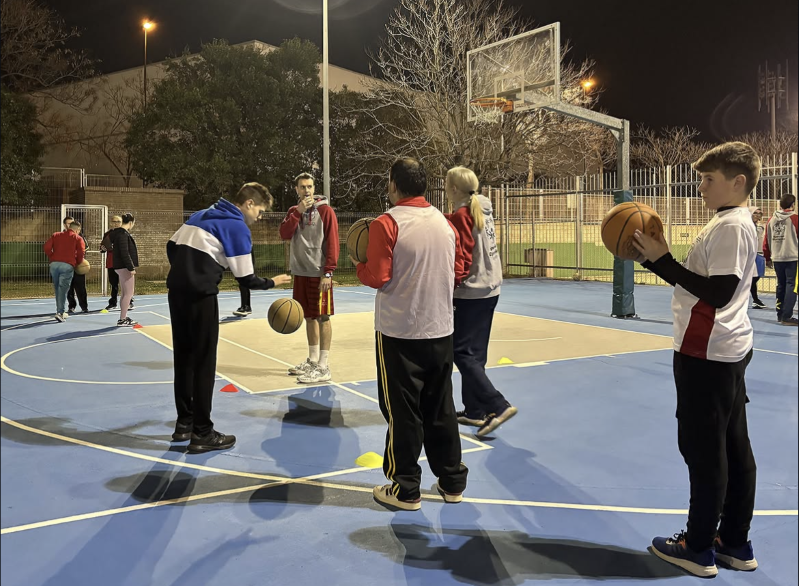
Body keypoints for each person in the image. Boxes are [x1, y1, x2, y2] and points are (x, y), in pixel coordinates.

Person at [633, 142, 761, 577]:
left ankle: (699, 544)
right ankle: (734, 541)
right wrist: (660, 262)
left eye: (709, 179)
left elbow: (719, 293)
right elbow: (704, 284)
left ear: (737, 182)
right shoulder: (737, 220)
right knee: (733, 446)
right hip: (727, 348)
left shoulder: (729, 227)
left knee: (704, 450)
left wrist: (662, 260)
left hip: (706, 351)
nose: (701, 187)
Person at [355, 157, 468, 511]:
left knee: (402, 412)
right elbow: (461, 269)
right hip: (440, 328)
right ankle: (451, 482)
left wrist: (358, 264)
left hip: (399, 332)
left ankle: (405, 489)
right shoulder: (445, 223)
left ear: (393, 185)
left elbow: (377, 276)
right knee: (441, 408)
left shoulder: (386, 224)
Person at [166, 182, 290, 454]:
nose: (259, 217)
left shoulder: (201, 214)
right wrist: (273, 282)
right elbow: (247, 278)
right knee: (203, 364)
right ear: (248, 204)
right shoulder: (236, 226)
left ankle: (183, 425)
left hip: (176, 292)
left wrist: (187, 269)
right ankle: (202, 433)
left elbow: (171, 246)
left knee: (184, 360)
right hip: (201, 296)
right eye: (260, 211)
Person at [444, 167, 516, 437]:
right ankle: (475, 411)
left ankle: (497, 405)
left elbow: (462, 255)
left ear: (452, 189)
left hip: (471, 292)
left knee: (460, 352)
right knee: (477, 353)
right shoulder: (482, 207)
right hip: (490, 289)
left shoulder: (464, 214)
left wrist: (453, 283)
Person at [279, 172, 339, 383]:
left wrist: (328, 272)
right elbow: (285, 234)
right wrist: (298, 212)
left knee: (323, 317)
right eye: (303, 187)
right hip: (301, 273)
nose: (307, 190)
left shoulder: (326, 211)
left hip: (319, 273)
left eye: (310, 186)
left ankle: (324, 365)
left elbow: (332, 243)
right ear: (296, 189)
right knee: (309, 317)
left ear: (314, 188)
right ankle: (313, 361)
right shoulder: (293, 212)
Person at [763, 193, 798, 325]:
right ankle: (787, 315)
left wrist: (767, 257)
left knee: (781, 284)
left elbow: (766, 240)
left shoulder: (771, 220)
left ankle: (780, 314)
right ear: (792, 204)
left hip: (777, 257)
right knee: (791, 285)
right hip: (792, 256)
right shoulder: (795, 219)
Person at [43, 221, 85, 322]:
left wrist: (52, 256)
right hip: (67, 265)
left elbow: (46, 247)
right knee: (62, 289)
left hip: (54, 265)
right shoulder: (78, 238)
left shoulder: (56, 235)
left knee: (58, 289)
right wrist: (77, 263)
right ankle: (60, 312)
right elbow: (81, 253)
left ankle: (59, 310)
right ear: (77, 230)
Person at [108, 213, 138, 327]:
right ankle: (122, 319)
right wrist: (131, 267)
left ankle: (123, 317)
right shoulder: (123, 234)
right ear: (130, 222)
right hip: (124, 266)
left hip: (119, 266)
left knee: (125, 293)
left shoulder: (118, 233)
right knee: (129, 293)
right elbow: (125, 252)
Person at [100, 216, 135, 311]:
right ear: (111, 223)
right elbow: (103, 247)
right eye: (114, 221)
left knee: (126, 284)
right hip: (111, 262)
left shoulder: (124, 233)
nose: (116, 223)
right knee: (113, 283)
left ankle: (129, 301)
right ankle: (113, 302)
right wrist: (103, 249)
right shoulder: (108, 234)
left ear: (122, 222)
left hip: (122, 263)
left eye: (118, 221)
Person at [67, 222, 89, 314]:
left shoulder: (80, 238)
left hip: (75, 266)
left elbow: (84, 249)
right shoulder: (65, 237)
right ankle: (72, 306)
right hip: (71, 265)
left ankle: (83, 306)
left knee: (80, 288)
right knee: (70, 288)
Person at [747, 207, 767, 309]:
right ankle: (755, 299)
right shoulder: (748, 226)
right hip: (751, 255)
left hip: (759, 254)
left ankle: (755, 299)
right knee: (752, 278)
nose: (758, 215)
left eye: (760, 213)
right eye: (755, 213)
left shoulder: (759, 226)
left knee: (757, 276)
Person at [233, 250, 256, 317]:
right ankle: (245, 306)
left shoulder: (246, 246)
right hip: (243, 268)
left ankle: (246, 307)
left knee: (244, 286)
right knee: (243, 287)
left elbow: (250, 259)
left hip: (246, 269)